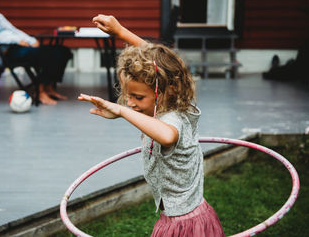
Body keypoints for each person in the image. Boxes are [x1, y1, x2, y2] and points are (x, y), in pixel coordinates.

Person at [78, 15, 224, 236]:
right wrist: (120, 32)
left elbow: (167, 136)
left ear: (167, 89)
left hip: (183, 225)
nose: (129, 102)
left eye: (137, 97)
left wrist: (122, 111)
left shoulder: (174, 118)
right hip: (183, 217)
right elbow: (162, 64)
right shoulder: (169, 100)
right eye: (128, 96)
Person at [0, 0, 72, 105]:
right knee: (47, 54)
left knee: (63, 51)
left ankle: (49, 88)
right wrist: (17, 40)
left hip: (15, 47)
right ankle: (40, 92)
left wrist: (30, 40)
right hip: (2, 54)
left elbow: (12, 29)